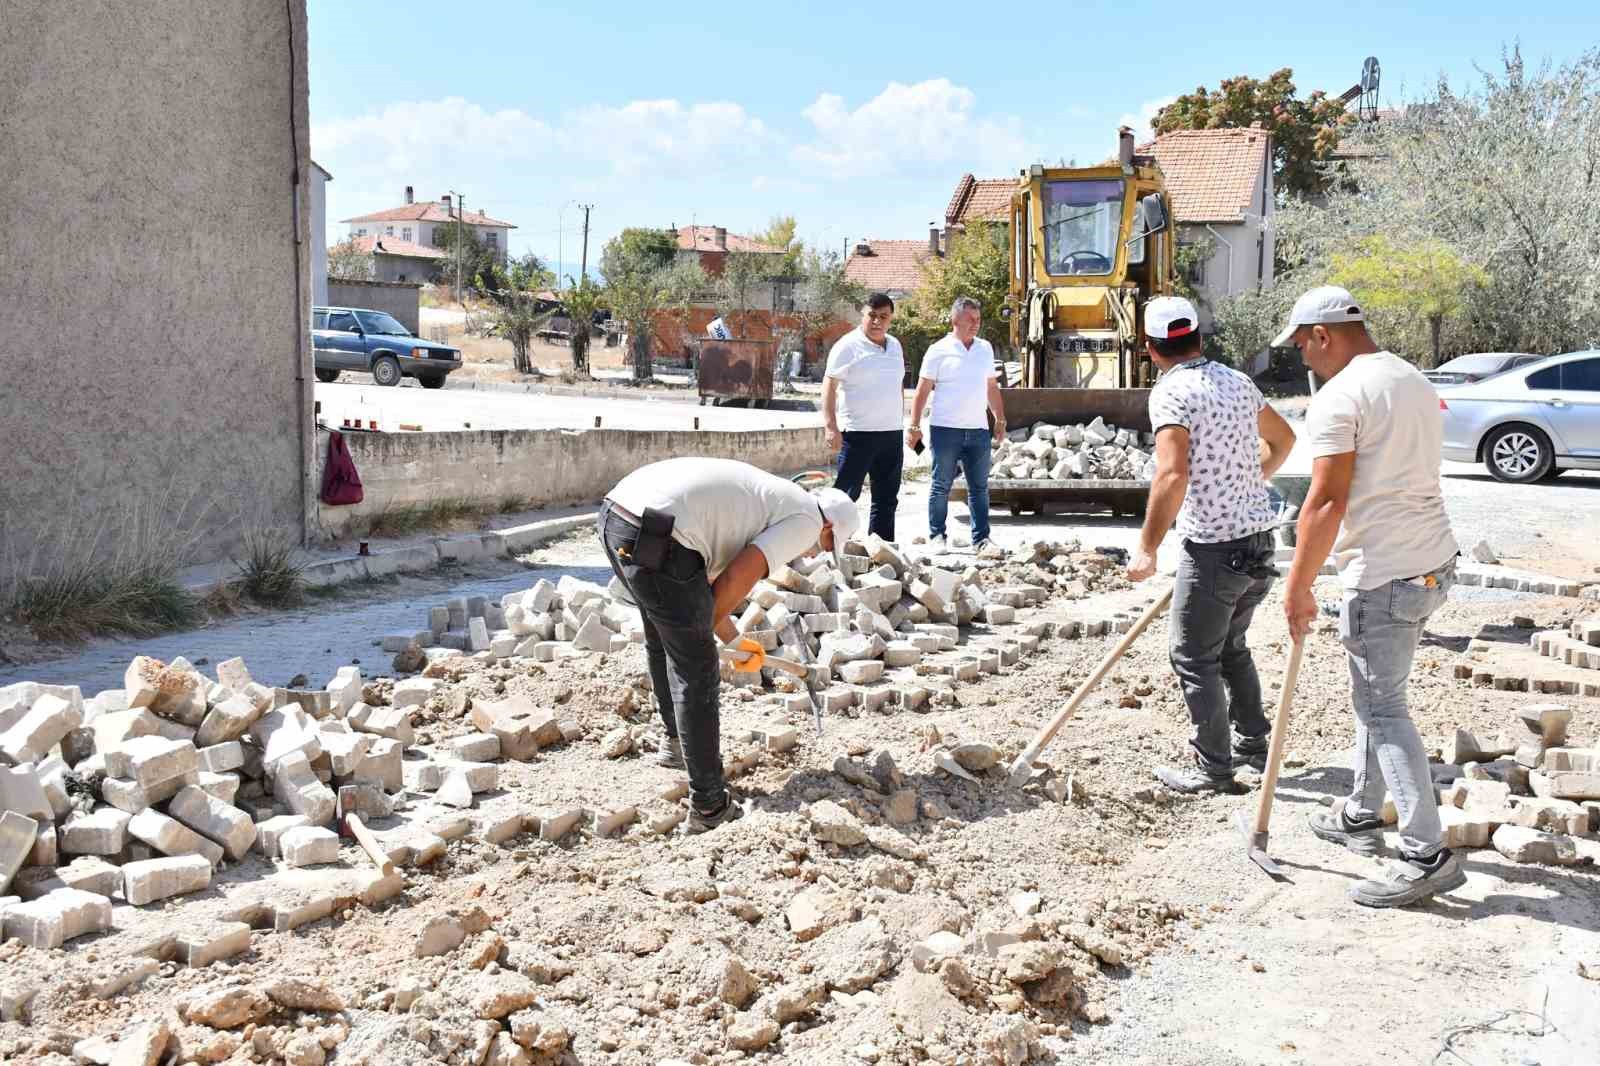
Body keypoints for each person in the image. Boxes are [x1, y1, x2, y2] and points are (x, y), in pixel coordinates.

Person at [1278, 285, 1465, 908]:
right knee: (1378, 697)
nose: (1302, 357)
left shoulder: (1339, 396)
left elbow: (1325, 502)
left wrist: (1298, 586)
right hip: (1433, 562)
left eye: (1302, 344)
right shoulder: (1408, 376)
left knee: (1384, 709)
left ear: (1324, 335)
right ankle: (1361, 812)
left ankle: (1425, 854)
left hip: (1385, 575)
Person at [598, 458, 861, 832]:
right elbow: (739, 575)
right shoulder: (807, 520)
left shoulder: (768, 502)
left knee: (664, 637)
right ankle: (709, 805)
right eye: (827, 544)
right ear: (828, 525)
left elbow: (700, 592)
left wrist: (735, 640)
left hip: (619, 517)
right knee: (697, 666)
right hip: (659, 533)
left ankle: (675, 745)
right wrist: (701, 640)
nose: (817, 553)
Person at [1126, 297, 1298, 794]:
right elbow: (1283, 440)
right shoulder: (1237, 381)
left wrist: (1147, 546)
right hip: (1259, 542)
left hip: (1215, 551)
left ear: (1151, 349)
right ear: (1199, 338)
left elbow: (1172, 473)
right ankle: (1252, 742)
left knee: (1194, 656)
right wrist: (1250, 479)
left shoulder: (1171, 394)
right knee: (1230, 647)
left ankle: (1213, 767)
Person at [908, 296, 1006, 549]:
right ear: (955, 320)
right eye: (970, 319)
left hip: (977, 431)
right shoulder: (938, 350)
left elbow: (991, 387)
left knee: (979, 488)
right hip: (945, 430)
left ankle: (981, 539)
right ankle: (937, 536)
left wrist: (1000, 418)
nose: (976, 324)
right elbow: (922, 389)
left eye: (978, 319)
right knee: (941, 485)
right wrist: (914, 425)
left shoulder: (984, 348)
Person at [824, 293, 906, 539]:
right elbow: (829, 386)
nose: (877, 321)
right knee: (844, 498)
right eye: (872, 315)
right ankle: (830, 548)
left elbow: (898, 385)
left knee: (886, 498)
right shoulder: (847, 346)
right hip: (858, 435)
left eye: (883, 317)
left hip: (891, 434)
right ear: (863, 315)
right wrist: (831, 427)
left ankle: (880, 550)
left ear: (891, 318)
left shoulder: (895, 346)